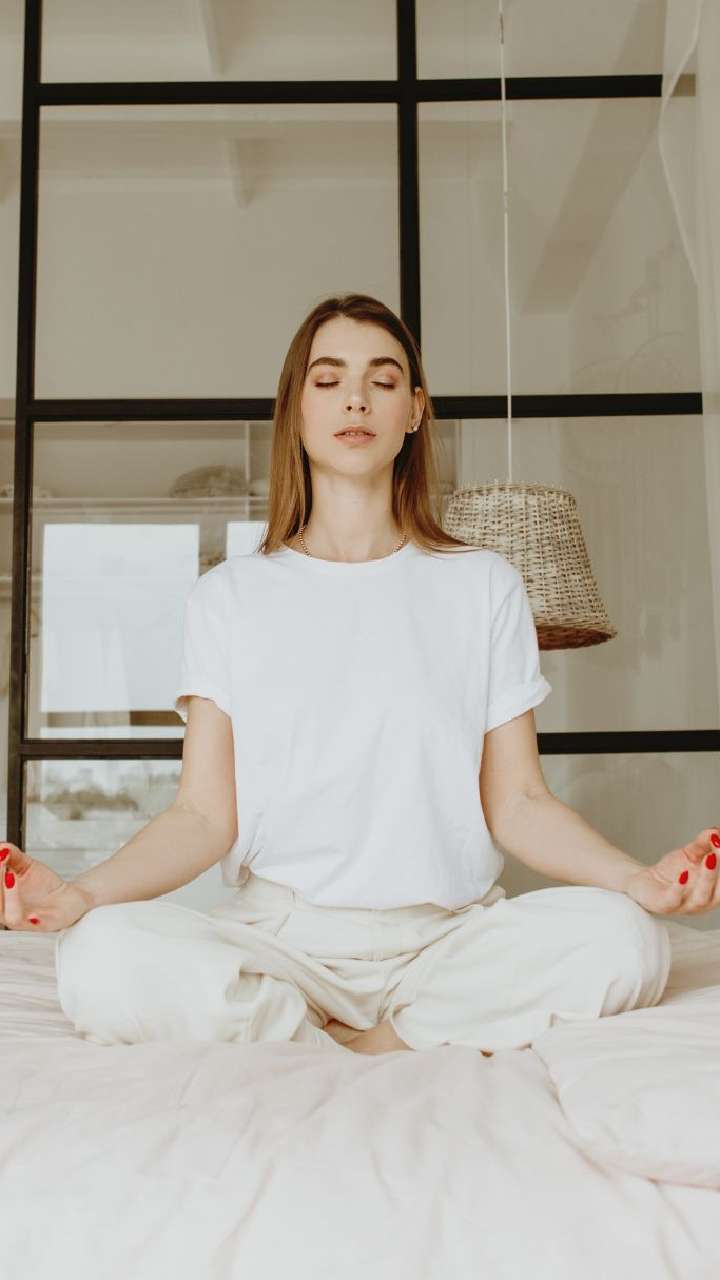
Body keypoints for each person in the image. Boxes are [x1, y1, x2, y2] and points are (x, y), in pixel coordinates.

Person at [6, 290, 710, 1057]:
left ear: (414, 411)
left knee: (628, 939)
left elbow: (519, 802)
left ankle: (373, 1041)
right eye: (328, 379)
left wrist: (635, 880)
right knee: (98, 955)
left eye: (382, 380)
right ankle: (319, 1030)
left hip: (448, 940)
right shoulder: (230, 597)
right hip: (284, 941)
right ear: (297, 410)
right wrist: (81, 894)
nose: (356, 399)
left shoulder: (483, 585)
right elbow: (203, 816)